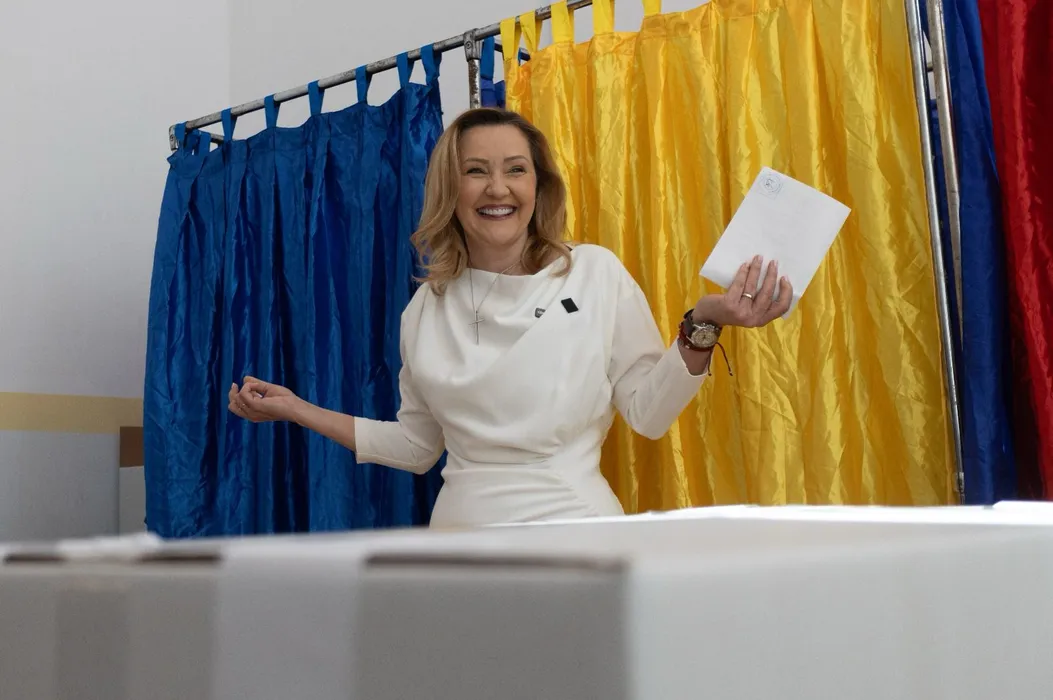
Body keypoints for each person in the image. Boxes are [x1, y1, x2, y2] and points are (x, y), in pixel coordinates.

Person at [228, 107, 792, 528]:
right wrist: (297, 409)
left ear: (537, 185)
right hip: (462, 553)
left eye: (515, 170)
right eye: (476, 171)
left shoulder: (594, 272)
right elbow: (418, 447)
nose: (497, 188)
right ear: (450, 189)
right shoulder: (424, 310)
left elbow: (648, 413)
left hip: (578, 538)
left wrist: (704, 322)